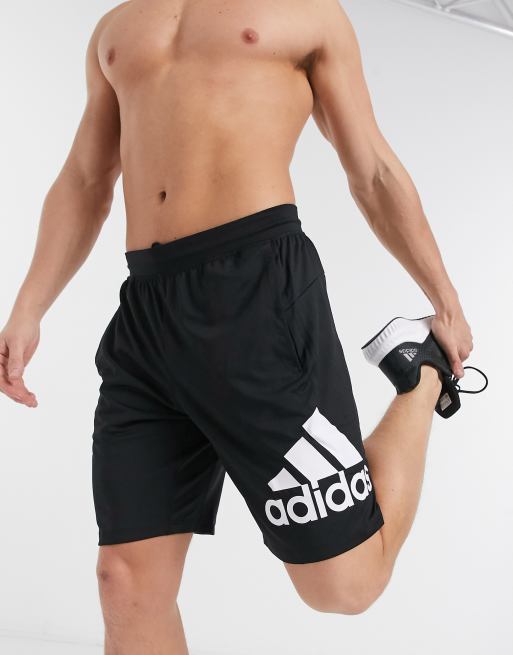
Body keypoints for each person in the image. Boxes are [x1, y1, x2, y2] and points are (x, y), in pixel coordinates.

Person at [0, 1, 486, 653]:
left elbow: (370, 168)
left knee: (344, 584)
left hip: (258, 297)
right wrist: (29, 306)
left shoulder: (306, 14)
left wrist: (444, 300)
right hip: (147, 313)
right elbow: (87, 178)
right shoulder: (117, 28)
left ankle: (420, 374)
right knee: (125, 582)